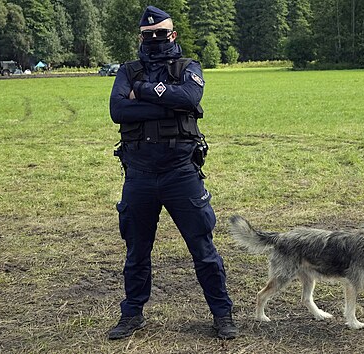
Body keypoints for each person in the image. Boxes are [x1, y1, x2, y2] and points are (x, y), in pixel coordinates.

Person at [108, 5, 238, 341]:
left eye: (161, 33)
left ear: (173, 34)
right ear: (140, 37)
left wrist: (146, 94)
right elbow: (118, 110)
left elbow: (190, 96)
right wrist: (171, 101)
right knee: (136, 250)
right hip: (139, 174)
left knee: (203, 248)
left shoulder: (188, 67)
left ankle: (222, 314)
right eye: (148, 35)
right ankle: (132, 314)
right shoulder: (128, 69)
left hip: (180, 173)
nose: (154, 39)